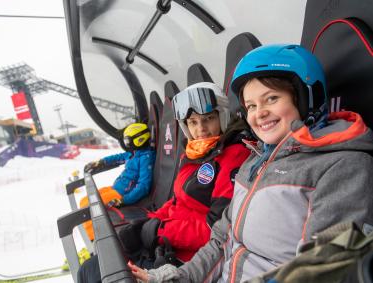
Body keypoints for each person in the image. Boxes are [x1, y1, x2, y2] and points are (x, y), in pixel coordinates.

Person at [129, 44, 373, 283]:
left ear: (306, 98)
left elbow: (323, 270)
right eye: (252, 106)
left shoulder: (341, 166)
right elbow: (221, 240)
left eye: (272, 98)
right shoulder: (255, 161)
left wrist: (158, 232)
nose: (259, 113)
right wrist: (176, 277)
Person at [77, 82, 251, 283]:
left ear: (222, 116)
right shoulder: (194, 153)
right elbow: (176, 202)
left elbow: (217, 228)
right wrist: (148, 222)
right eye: (193, 122)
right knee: (89, 270)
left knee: (98, 276)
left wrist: (159, 231)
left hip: (189, 260)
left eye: (208, 119)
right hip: (167, 245)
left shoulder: (233, 156)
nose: (201, 129)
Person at [79, 122, 156, 240]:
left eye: (128, 141)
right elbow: (118, 157)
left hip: (120, 194)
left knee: (89, 208)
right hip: (115, 188)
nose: (127, 145)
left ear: (139, 140)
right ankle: (90, 237)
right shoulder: (133, 154)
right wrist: (101, 162)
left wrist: (123, 200)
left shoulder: (145, 158)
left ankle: (96, 240)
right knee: (84, 200)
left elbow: (143, 186)